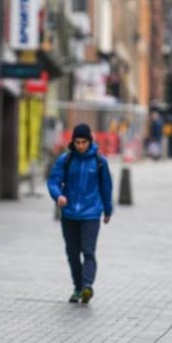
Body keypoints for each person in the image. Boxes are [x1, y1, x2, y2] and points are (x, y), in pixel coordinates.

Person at [47, 124, 114, 304]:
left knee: (88, 251)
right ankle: (77, 287)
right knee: (72, 252)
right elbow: (53, 181)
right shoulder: (66, 159)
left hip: (91, 214)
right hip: (69, 214)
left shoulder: (100, 161)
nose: (81, 146)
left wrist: (108, 210)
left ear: (90, 141)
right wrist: (58, 195)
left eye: (84, 142)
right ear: (73, 142)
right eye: (77, 142)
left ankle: (87, 286)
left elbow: (106, 187)